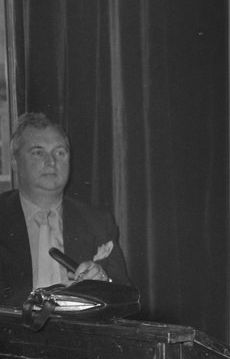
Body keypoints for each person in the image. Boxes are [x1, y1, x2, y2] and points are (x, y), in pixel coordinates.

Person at [0, 112, 131, 307]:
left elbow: (127, 299)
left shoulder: (97, 222)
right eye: (38, 152)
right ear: (14, 162)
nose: (51, 161)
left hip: (79, 335)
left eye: (60, 152)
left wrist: (103, 283)